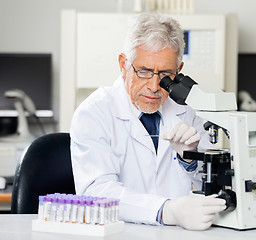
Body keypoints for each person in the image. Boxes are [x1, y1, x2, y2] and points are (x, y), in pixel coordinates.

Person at [70, 13, 226, 231]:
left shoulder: (190, 110)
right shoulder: (94, 113)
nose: (154, 86)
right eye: (143, 71)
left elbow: (213, 191)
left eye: (165, 75)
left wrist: (189, 160)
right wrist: (166, 210)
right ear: (123, 64)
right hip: (121, 233)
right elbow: (97, 191)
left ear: (178, 71)